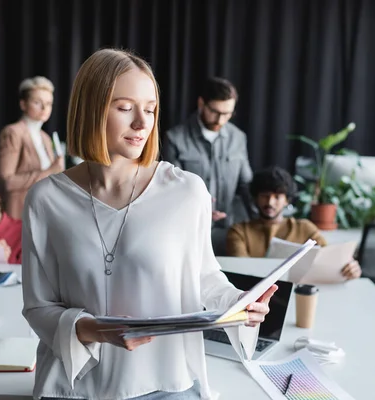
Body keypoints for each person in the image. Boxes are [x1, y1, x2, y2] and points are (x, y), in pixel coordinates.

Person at [21, 49, 276, 400]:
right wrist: (91, 329)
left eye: (151, 109)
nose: (143, 123)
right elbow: (38, 306)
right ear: (90, 108)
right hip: (74, 387)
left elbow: (203, 276)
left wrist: (239, 302)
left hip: (166, 384)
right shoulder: (46, 199)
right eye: (125, 108)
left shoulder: (185, 191)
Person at [164, 77, 253, 255]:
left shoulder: (238, 138)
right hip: (188, 232)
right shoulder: (174, 138)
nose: (220, 120)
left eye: (227, 114)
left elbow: (246, 185)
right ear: (201, 103)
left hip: (229, 231)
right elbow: (170, 190)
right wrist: (201, 208)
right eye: (215, 111)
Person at [226, 166, 361, 280]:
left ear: (287, 200)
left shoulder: (304, 228)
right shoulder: (239, 231)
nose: (270, 202)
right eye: (265, 196)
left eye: (277, 197)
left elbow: (330, 259)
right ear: (256, 197)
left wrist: (349, 268)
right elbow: (240, 270)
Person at [0, 76, 65, 219]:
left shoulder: (45, 138)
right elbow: (6, 181)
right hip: (19, 213)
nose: (45, 108)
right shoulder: (12, 133)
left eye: (49, 103)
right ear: (23, 104)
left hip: (44, 211)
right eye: (37, 102)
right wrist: (49, 171)